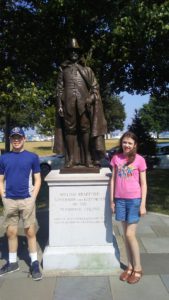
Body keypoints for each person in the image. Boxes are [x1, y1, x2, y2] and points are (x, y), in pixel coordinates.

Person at [54, 38, 107, 168]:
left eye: (76, 51)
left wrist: (91, 99)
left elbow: (95, 88)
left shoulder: (87, 70)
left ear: (79, 53)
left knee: (85, 129)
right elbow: (59, 90)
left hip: (84, 106)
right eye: (71, 51)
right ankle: (71, 159)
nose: (73, 53)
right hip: (68, 106)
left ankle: (88, 158)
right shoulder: (63, 71)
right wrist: (60, 105)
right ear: (68, 53)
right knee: (69, 130)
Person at [0, 127, 42, 281]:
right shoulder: (4, 158)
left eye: (19, 137)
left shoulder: (32, 157)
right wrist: (3, 196)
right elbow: (0, 180)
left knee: (30, 232)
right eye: (13, 138)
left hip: (27, 200)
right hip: (10, 200)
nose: (16, 140)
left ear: (24, 139)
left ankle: (35, 262)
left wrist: (33, 197)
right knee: (11, 232)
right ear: (10, 140)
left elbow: (37, 179)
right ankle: (12, 263)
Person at [110, 131, 147, 284]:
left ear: (134, 145)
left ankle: (138, 267)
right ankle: (130, 267)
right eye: (125, 142)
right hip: (120, 200)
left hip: (134, 200)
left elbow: (144, 183)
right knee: (125, 235)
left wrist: (143, 204)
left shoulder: (139, 160)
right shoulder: (116, 158)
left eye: (130, 143)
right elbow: (112, 180)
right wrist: (112, 200)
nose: (127, 145)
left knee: (130, 234)